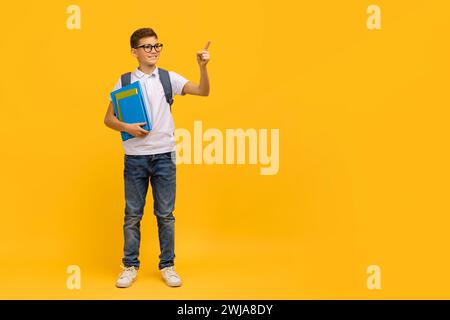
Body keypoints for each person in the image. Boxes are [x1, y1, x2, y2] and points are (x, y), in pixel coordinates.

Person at [104, 27, 211, 288]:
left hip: (164, 156)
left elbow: (203, 91)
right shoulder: (125, 82)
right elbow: (108, 119)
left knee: (165, 214)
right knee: (132, 214)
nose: (153, 51)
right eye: (147, 47)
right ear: (134, 52)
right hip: (135, 158)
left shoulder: (168, 78)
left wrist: (203, 67)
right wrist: (127, 128)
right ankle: (129, 266)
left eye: (157, 46)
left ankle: (168, 265)